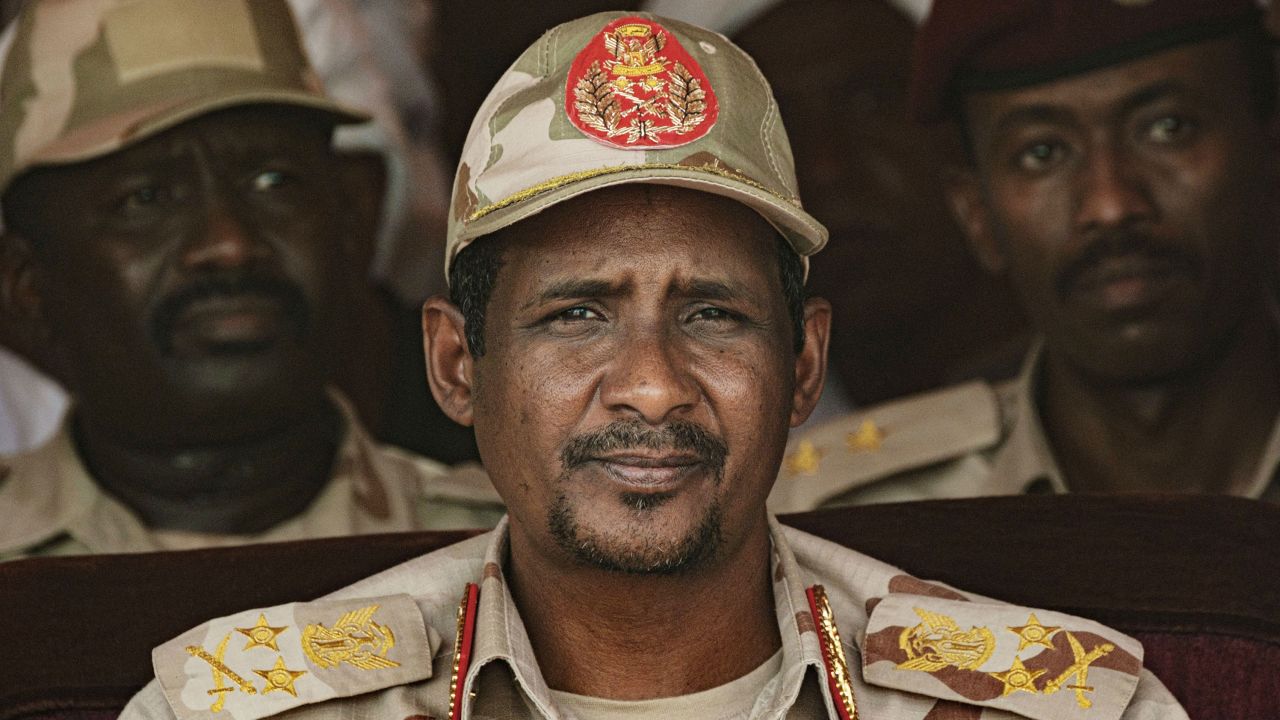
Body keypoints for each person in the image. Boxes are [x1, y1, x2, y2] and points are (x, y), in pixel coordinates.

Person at [121, 12, 1186, 719]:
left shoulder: (1055, 701)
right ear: (456, 366)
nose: (651, 384)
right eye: (575, 315)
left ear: (805, 363)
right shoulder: (241, 707)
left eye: (713, 315)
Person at [0, 0, 502, 560]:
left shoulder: (507, 560)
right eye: (145, 199)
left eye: (273, 180)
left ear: (355, 220)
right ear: (24, 285)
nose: (230, 245)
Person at [773, 0, 1280, 511]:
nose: (1110, 206)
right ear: (977, 215)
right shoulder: (844, 514)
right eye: (1042, 153)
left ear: (1270, 155)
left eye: (1167, 129)